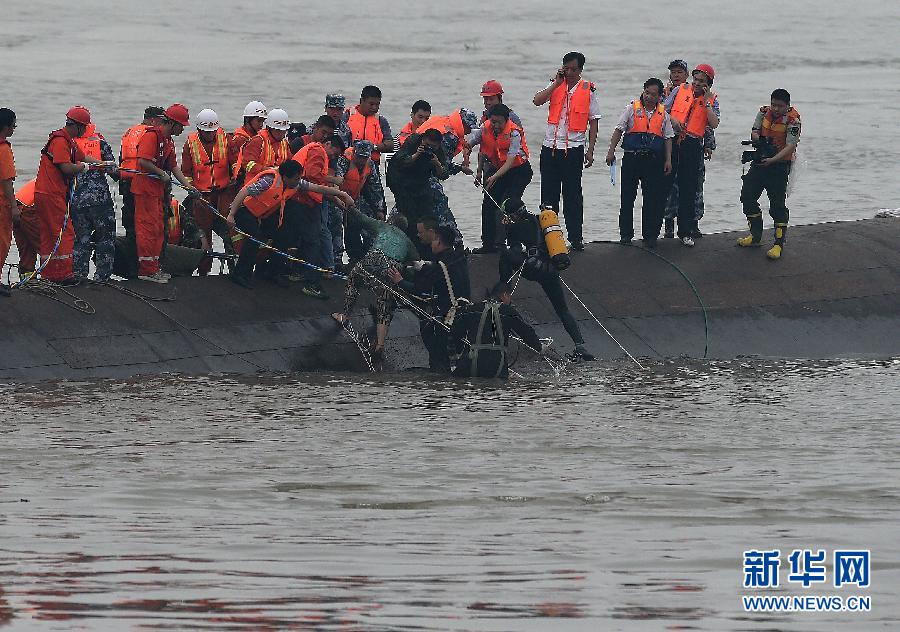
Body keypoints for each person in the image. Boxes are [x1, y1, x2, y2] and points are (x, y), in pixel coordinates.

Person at [225, 159, 348, 289]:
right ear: (285, 177)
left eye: (299, 178)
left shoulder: (294, 183)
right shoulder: (269, 181)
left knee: (284, 235)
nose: (298, 181)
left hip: (263, 215)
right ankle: (240, 274)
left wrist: (341, 195)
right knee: (254, 238)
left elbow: (318, 188)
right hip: (245, 211)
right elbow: (244, 192)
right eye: (296, 179)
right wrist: (231, 215)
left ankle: (273, 272)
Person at [499, 198, 594, 360]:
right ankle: (580, 345)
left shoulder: (514, 228)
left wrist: (507, 229)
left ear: (513, 215)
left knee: (505, 256)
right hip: (551, 271)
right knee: (562, 309)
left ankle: (504, 294)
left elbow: (514, 250)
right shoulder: (540, 220)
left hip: (533, 269)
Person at [332, 208, 420, 367]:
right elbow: (416, 265)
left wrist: (343, 201)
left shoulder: (382, 226)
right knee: (385, 303)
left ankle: (345, 315)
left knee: (353, 279)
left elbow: (359, 216)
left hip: (373, 258)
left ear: (390, 221)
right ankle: (379, 345)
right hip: (393, 266)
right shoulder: (408, 242)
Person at [532, 51, 601, 251]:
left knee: (572, 195)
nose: (569, 72)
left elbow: (594, 121)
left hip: (573, 149)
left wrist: (590, 150)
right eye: (566, 68)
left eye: (573, 69)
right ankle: (548, 238)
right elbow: (537, 101)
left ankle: (576, 238)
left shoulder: (588, 89)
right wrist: (556, 83)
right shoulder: (555, 84)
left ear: (580, 70)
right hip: (550, 148)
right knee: (548, 196)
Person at [33, 106, 104, 284]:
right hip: (51, 193)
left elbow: (83, 158)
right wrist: (84, 168)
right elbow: (66, 167)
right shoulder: (60, 141)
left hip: (49, 193)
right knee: (64, 232)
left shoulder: (68, 141)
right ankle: (63, 274)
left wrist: (102, 164)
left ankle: (50, 273)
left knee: (50, 234)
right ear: (79, 126)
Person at [390, 224, 471, 372]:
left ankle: (440, 378)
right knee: (459, 355)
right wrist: (425, 267)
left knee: (439, 355)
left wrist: (400, 281)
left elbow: (420, 288)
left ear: (439, 242)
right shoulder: (459, 257)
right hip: (465, 313)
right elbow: (443, 270)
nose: (431, 244)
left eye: (434, 240)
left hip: (448, 317)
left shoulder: (440, 266)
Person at [604, 78, 674, 247]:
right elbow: (619, 130)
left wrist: (668, 160)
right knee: (627, 198)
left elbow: (668, 138)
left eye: (653, 94)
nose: (649, 97)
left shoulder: (663, 114)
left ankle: (650, 236)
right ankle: (626, 235)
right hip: (632, 159)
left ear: (660, 96)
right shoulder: (631, 109)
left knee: (652, 200)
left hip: (653, 161)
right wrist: (611, 151)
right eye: (647, 92)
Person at [133, 103, 197, 283]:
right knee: (147, 229)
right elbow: (143, 161)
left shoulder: (168, 141)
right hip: (145, 191)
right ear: (172, 123)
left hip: (157, 192)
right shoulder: (152, 136)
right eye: (181, 126)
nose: (182, 130)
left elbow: (173, 167)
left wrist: (188, 186)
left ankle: (153, 267)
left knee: (158, 229)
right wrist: (161, 173)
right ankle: (146, 270)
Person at [737, 88, 801, 260]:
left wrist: (773, 159)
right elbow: (755, 130)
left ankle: (778, 244)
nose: (775, 108)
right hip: (760, 161)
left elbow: (790, 146)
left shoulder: (793, 121)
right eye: (773, 104)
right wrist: (758, 139)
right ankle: (755, 236)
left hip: (779, 166)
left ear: (787, 106)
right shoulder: (763, 112)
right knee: (747, 196)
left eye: (780, 106)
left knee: (777, 205)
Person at [663, 63, 720, 247]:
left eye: (702, 81)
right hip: (673, 140)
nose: (696, 83)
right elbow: (662, 109)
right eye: (695, 79)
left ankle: (685, 231)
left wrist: (708, 101)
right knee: (666, 184)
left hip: (693, 144)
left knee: (689, 189)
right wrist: (673, 120)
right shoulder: (679, 90)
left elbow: (714, 123)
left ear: (708, 84)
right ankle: (662, 228)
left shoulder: (711, 100)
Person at [291, 134, 350, 296]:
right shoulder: (318, 151)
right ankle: (311, 282)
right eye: (335, 153)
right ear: (328, 144)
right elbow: (312, 176)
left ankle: (299, 273)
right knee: (313, 242)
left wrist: (336, 200)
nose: (334, 157)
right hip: (304, 201)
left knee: (304, 240)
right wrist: (335, 180)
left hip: (303, 200)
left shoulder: (314, 150)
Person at [468, 104, 533, 253]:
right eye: (493, 121)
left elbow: (510, 162)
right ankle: (488, 244)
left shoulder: (514, 133)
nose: (495, 125)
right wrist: (477, 170)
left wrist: (493, 177)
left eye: (499, 122)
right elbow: (476, 148)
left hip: (518, 171)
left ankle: (515, 243)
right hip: (499, 171)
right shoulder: (485, 128)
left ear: (506, 120)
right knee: (488, 203)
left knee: (509, 204)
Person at [449, 281, 542, 378]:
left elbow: (456, 331)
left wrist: (458, 355)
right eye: (509, 297)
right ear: (505, 295)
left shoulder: (472, 309)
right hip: (497, 365)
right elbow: (526, 332)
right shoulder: (508, 311)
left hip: (473, 362)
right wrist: (539, 347)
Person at [119, 105, 166, 277]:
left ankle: (134, 269)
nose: (163, 124)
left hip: (127, 184)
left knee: (133, 228)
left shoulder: (129, 132)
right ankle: (150, 267)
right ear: (154, 120)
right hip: (146, 182)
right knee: (151, 228)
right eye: (162, 120)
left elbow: (121, 161)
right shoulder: (152, 134)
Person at [386, 128, 449, 252]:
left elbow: (444, 175)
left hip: (420, 182)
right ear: (423, 139)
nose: (429, 148)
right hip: (400, 181)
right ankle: (413, 250)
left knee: (428, 217)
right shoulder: (413, 141)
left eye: (433, 146)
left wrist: (436, 163)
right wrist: (415, 155)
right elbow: (400, 161)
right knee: (410, 217)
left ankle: (429, 249)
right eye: (427, 145)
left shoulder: (439, 150)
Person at [180, 108, 227, 275]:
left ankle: (233, 269)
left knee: (230, 234)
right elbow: (186, 172)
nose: (210, 135)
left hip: (223, 195)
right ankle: (203, 273)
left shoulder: (225, 138)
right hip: (201, 197)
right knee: (204, 237)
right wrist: (193, 192)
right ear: (199, 130)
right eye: (207, 132)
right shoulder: (190, 144)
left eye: (212, 131)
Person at [71, 121, 118, 282]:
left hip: (76, 200)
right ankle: (102, 277)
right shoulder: (100, 142)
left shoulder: (69, 143)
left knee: (80, 239)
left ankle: (78, 275)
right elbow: (113, 170)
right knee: (105, 238)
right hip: (100, 200)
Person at [337, 140, 387, 264]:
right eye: (359, 157)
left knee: (363, 224)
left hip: (355, 198)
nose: (361, 160)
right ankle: (339, 259)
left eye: (365, 157)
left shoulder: (369, 164)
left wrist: (379, 209)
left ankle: (363, 258)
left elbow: (375, 187)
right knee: (339, 227)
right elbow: (335, 183)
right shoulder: (343, 161)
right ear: (354, 153)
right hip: (337, 199)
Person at [344, 85, 393, 170]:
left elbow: (390, 144)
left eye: (377, 104)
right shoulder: (347, 116)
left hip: (372, 167)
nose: (374, 107)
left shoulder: (381, 120)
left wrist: (373, 147)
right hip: (348, 165)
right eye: (371, 104)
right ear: (361, 100)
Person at [238, 108, 292, 180]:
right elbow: (247, 164)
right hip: (255, 184)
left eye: (284, 130)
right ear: (269, 128)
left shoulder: (284, 143)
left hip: (276, 183)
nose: (282, 134)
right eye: (278, 130)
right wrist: (267, 170)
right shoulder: (258, 141)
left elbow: (289, 161)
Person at [0, 108, 17, 296]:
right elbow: (6, 181)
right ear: (6, 127)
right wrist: (14, 207)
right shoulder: (3, 149)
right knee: (2, 241)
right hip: (1, 204)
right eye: (13, 125)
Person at [13, 179, 40, 282]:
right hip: (30, 209)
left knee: (27, 249)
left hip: (16, 208)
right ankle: (53, 278)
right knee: (46, 246)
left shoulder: (42, 178)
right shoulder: (70, 178)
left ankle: (28, 280)